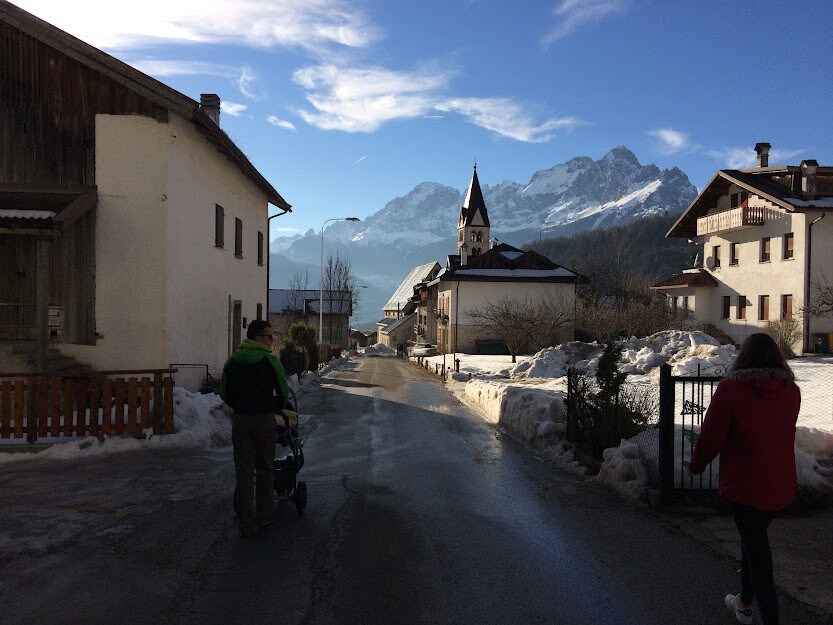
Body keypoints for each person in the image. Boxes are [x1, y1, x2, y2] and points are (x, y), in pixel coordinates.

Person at [690, 333, 800, 625]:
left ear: (743, 357)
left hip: (744, 485)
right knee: (753, 542)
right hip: (779, 484)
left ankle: (769, 617)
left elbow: (712, 435)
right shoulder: (791, 391)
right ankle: (745, 603)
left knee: (759, 555)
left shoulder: (731, 390)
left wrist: (697, 465)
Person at [220, 319, 289, 538]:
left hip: (240, 420)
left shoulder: (232, 361)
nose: (272, 340)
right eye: (269, 336)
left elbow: (224, 392)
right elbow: (283, 391)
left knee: (244, 470)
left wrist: (239, 406)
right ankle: (265, 515)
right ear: (259, 338)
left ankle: (245, 518)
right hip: (264, 420)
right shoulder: (270, 361)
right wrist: (274, 407)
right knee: (266, 467)